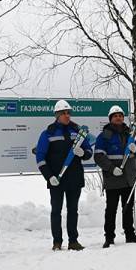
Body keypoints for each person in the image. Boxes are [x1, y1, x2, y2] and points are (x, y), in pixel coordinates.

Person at [36, 99, 93, 251]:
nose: (67, 116)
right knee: (56, 211)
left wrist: (83, 153)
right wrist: (49, 176)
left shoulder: (78, 131)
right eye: (63, 113)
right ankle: (57, 242)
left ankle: (73, 241)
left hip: (74, 178)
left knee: (73, 211)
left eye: (68, 113)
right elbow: (40, 158)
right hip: (56, 179)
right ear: (57, 115)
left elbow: (88, 152)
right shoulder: (48, 133)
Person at [94, 105, 136, 248]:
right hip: (113, 178)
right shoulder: (105, 135)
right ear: (110, 119)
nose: (119, 117)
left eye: (121, 115)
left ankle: (130, 234)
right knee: (111, 209)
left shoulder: (131, 134)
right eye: (115, 115)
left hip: (129, 177)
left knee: (128, 207)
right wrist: (111, 168)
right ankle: (109, 237)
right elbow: (98, 155)